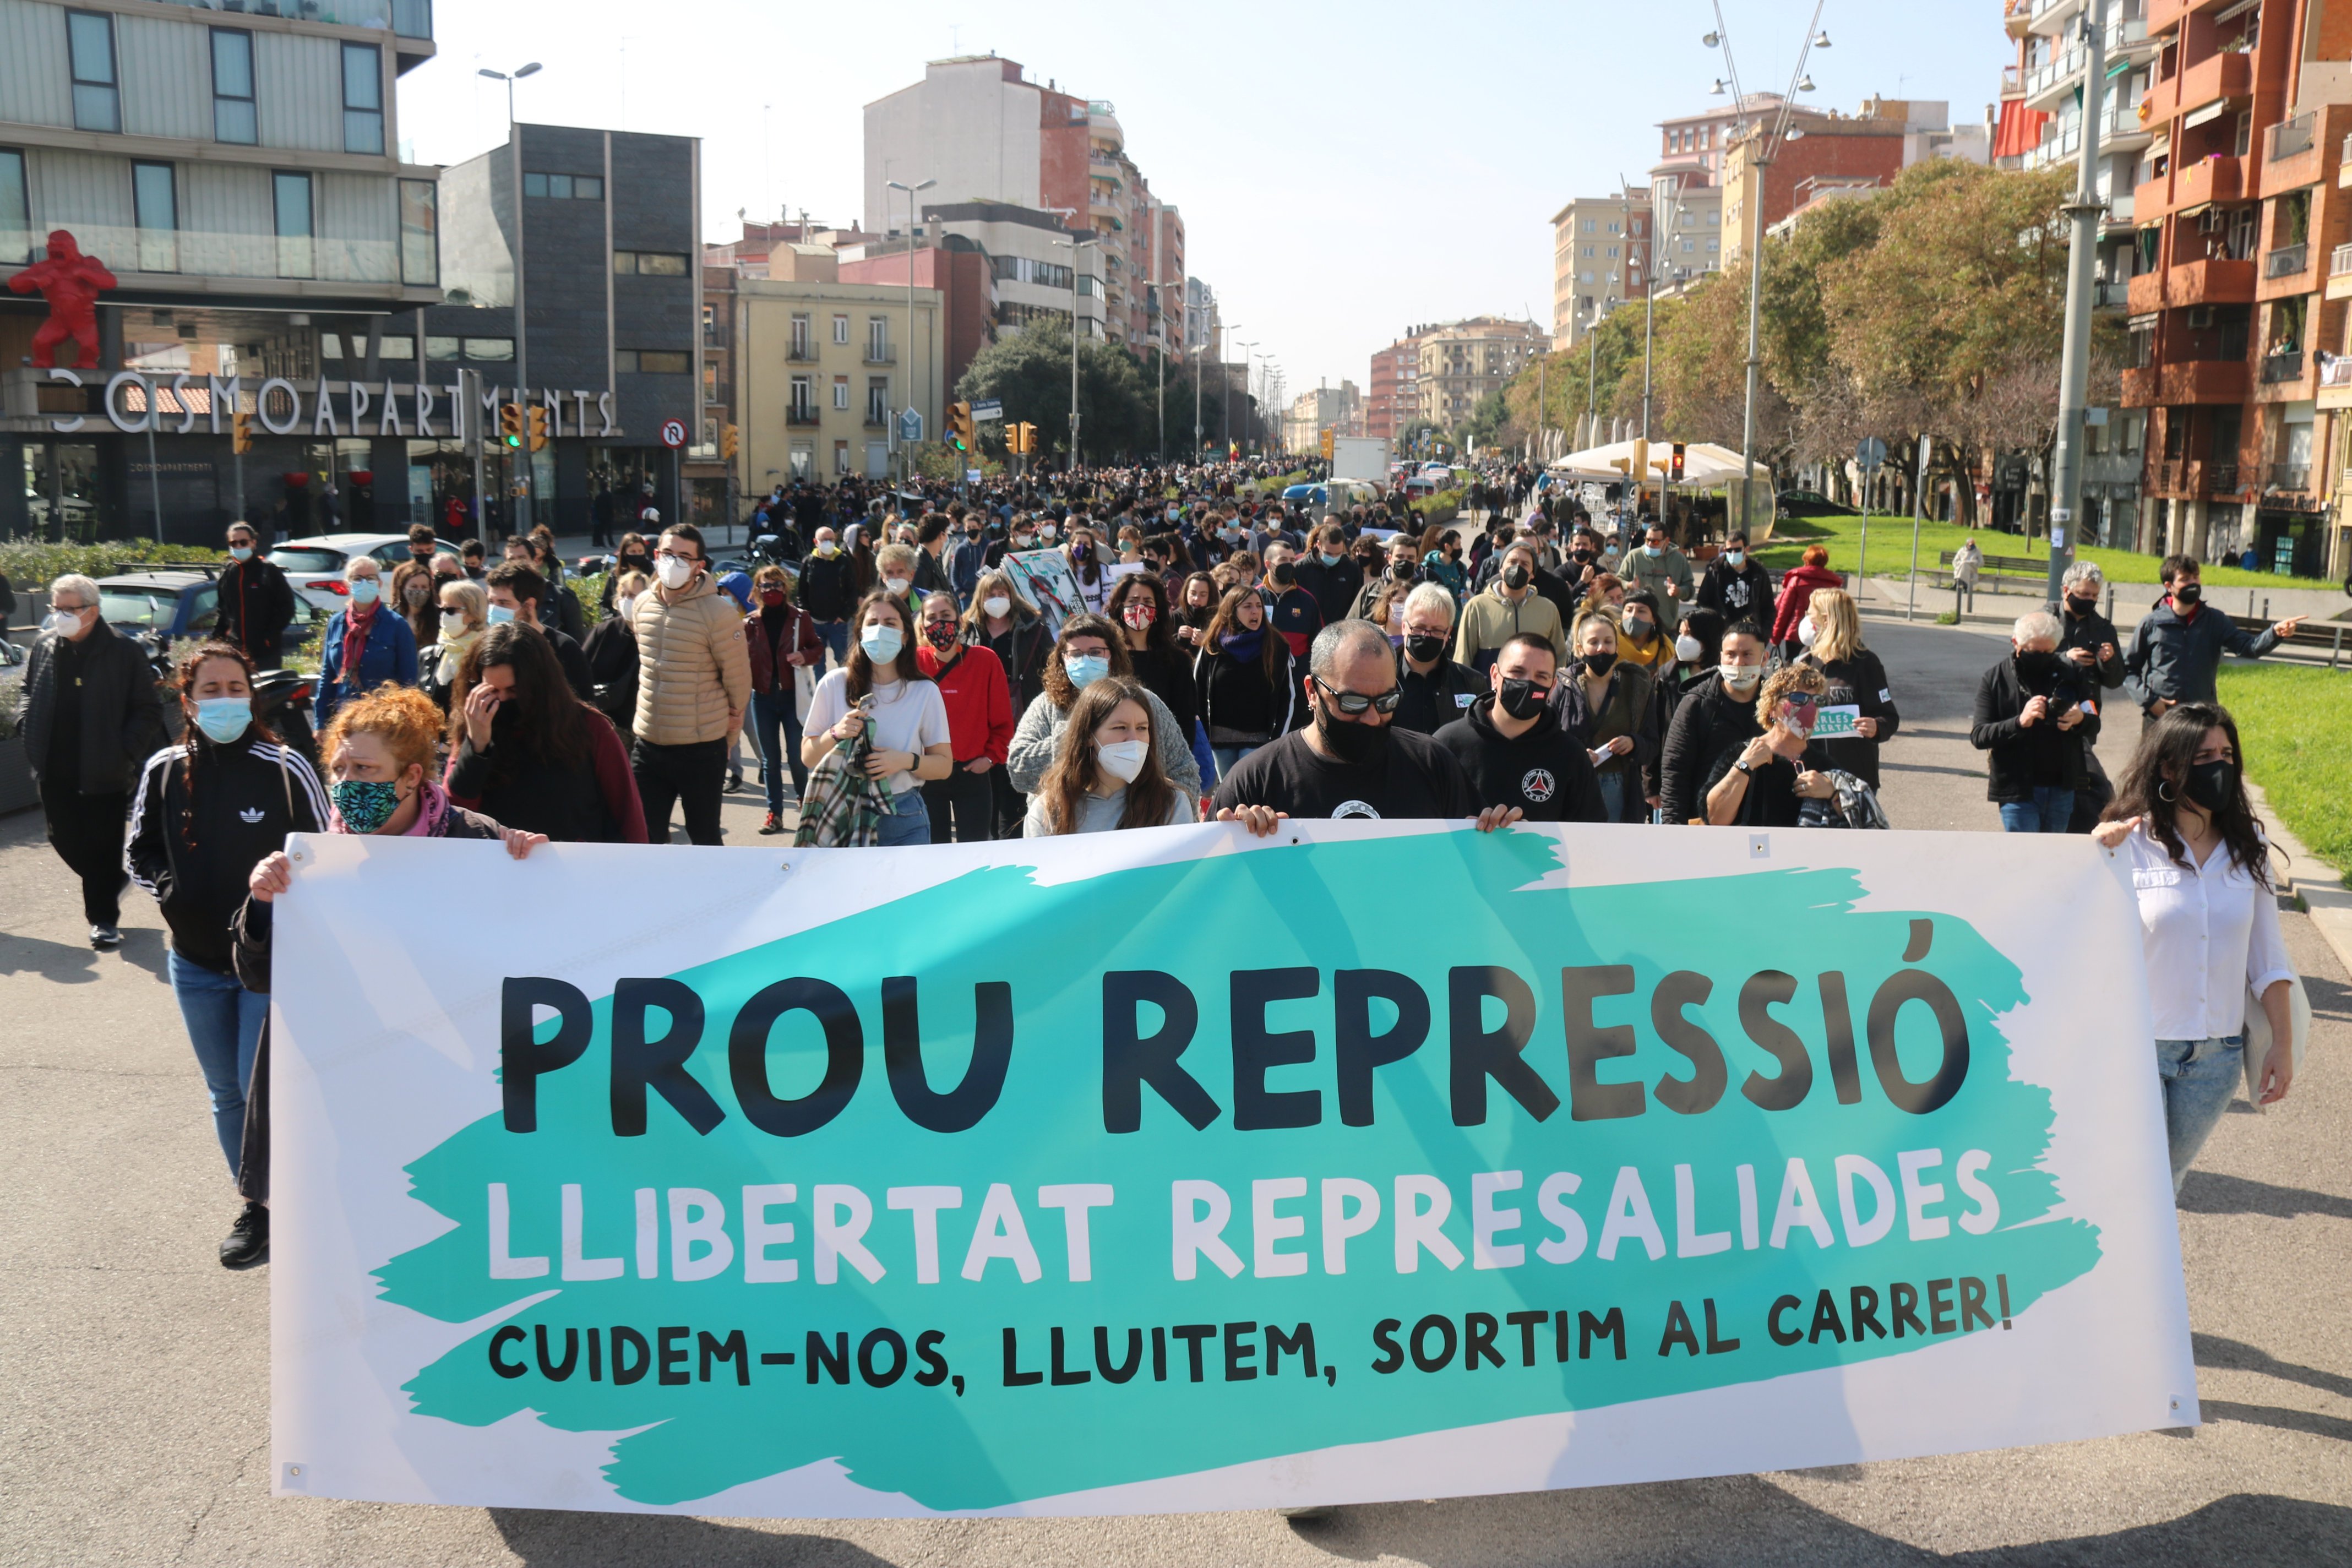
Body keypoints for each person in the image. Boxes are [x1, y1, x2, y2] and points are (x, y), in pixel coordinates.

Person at [233, 685, 547, 1231]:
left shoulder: (478, 846)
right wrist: (261, 905)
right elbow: (259, 974)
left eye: (365, 769)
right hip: (345, 1085)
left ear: (411, 776)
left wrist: (536, 867)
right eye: (339, 769)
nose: (347, 784)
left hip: (444, 1082)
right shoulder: (308, 864)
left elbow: (536, 947)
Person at [125, 641, 325, 1264]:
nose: (223, 700)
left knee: (259, 1085)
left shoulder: (286, 765)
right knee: (227, 1094)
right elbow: (138, 851)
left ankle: (297, 1202)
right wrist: (169, 889)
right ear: (187, 701)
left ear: (253, 694)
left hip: (266, 966)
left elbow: (326, 852)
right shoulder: (163, 768)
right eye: (209, 690)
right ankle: (258, 1207)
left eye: (234, 687)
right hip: (194, 963)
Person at [2092, 704, 2295, 1190]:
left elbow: (2268, 961)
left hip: (2217, 1057)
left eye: (2227, 754)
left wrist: (2282, 1046)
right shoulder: (2127, 846)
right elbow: (2080, 939)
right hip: (2140, 1046)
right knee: (2140, 1186)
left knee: (2169, 1181)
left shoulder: (2251, 853)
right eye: (2204, 756)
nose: (2219, 766)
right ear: (2168, 767)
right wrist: (2093, 855)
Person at [1213, 619, 1517, 832]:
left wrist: (1507, 838)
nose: (1372, 719)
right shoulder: (1255, 781)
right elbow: (1204, 889)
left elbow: (1482, 866)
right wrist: (1236, 840)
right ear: (1312, 692)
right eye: (1353, 703)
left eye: (1386, 702)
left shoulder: (1432, 763)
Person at [445, 623, 647, 843]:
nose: (501, 700)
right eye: (492, 691)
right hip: (499, 865)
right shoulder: (477, 723)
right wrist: (476, 748)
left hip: (576, 866)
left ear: (538, 685)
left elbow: (628, 813)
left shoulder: (588, 727)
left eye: (513, 691)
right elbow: (456, 815)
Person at [801, 592, 955, 847]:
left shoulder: (925, 692)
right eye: (873, 623)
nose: (880, 630)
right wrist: (836, 733)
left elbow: (943, 766)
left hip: (903, 816)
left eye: (890, 623)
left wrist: (904, 761)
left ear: (906, 636)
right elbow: (808, 756)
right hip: (842, 814)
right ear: (860, 633)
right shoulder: (833, 683)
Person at [629, 523, 751, 846]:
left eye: (685, 556)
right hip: (649, 744)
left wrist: (728, 740)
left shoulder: (719, 615)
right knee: (645, 836)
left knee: (704, 836)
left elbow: (738, 684)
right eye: (668, 554)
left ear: (700, 566)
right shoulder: (642, 605)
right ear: (656, 556)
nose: (674, 562)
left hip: (700, 749)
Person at [1010, 613, 1203, 797]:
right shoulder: (1047, 705)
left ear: (1113, 655)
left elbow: (1184, 770)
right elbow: (1019, 771)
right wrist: (1073, 737)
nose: (1085, 660)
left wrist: (1174, 814)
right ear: (1063, 658)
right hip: (1067, 825)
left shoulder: (1144, 702)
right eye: (1076, 654)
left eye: (1095, 652)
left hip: (1138, 823)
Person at [1433, 632, 1607, 823]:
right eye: (1517, 672)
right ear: (1494, 675)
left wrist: (1531, 839)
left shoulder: (1571, 755)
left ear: (1553, 686)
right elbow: (1423, 827)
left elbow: (1589, 835)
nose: (1528, 683)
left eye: (1541, 676)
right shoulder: (1447, 744)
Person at [2124, 555, 2305, 725]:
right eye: (2185, 579)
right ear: (2169, 586)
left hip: (2202, 717)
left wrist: (2275, 633)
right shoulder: (2152, 623)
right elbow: (2129, 669)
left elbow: (2249, 647)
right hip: (2161, 718)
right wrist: (2149, 701)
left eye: (2196, 577)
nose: (2193, 583)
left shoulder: (2215, 621)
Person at [1022, 676, 1200, 836]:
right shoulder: (1049, 810)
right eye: (1120, 728)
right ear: (1088, 737)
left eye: (1142, 728)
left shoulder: (1171, 803)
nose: (1134, 739)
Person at [1972, 610, 2096, 834]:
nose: (2041, 656)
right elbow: (1979, 736)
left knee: (2053, 860)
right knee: (2024, 860)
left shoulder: (2072, 674)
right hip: (2017, 790)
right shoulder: (1996, 679)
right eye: (2033, 651)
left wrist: (2079, 719)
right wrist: (2019, 722)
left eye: (2048, 651)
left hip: (2062, 789)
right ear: (2015, 643)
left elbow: (2094, 723)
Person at [914, 591, 1012, 843]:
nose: (940, 624)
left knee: (975, 852)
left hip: (973, 772)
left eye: (946, 616)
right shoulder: (913, 663)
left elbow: (1003, 721)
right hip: (928, 773)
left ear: (959, 621)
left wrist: (991, 758)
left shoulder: (985, 660)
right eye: (932, 618)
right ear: (923, 627)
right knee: (933, 851)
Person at [1659, 620, 1769, 824]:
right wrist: (1673, 828)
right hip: (1706, 825)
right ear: (1721, 657)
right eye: (1731, 655)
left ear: (1764, 659)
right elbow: (1675, 771)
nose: (1738, 663)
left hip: (1762, 828)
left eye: (1747, 655)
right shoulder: (1697, 704)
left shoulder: (1777, 706)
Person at [1191, 587, 1303, 779]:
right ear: (1232, 610)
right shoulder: (1213, 645)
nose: (1255, 611)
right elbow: (1196, 690)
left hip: (1258, 740)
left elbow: (1288, 697)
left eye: (1259, 606)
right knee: (1227, 793)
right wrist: (1204, 735)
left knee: (1246, 790)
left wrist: (1276, 740)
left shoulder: (1277, 646)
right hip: (1219, 740)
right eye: (1248, 606)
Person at [1556, 612, 1658, 823]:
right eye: (1594, 642)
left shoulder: (1637, 686)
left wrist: (1633, 743)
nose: (1602, 648)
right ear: (1579, 648)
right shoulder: (1563, 686)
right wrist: (1576, 754)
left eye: (1608, 642)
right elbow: (1548, 740)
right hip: (1574, 786)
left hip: (1620, 787)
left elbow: (1653, 745)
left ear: (1617, 647)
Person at [1705, 663, 1836, 826]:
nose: (1810, 707)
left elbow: (1860, 822)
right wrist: (1744, 767)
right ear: (1772, 708)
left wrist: (1834, 794)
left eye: (1817, 700)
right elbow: (1715, 819)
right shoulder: (1742, 753)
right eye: (1799, 699)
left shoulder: (1825, 766)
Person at [743, 564, 823, 832]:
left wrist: (805, 656)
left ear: (785, 588)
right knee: (770, 760)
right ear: (757, 590)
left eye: (777, 585)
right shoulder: (750, 623)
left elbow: (817, 647)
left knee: (797, 756)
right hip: (762, 697)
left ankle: (804, 804)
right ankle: (774, 813)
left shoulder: (800, 618)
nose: (772, 590)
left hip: (792, 696)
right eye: (766, 585)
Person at [1795, 587, 1898, 794]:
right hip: (1811, 775)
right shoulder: (1806, 658)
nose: (1806, 618)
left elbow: (1889, 717)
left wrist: (1876, 727)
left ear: (1826, 620)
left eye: (1810, 613)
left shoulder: (1866, 663)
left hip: (1854, 780)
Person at [2055, 560, 2125, 830]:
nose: (2090, 601)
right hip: (2050, 714)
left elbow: (2116, 680)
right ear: (2066, 591)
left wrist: (2109, 661)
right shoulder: (2047, 619)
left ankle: (2075, 826)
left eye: (2095, 596)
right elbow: (2024, 663)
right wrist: (2064, 657)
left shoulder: (2103, 628)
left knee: (2079, 776)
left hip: (2086, 718)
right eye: (2084, 595)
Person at [313, 556, 418, 728]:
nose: (364, 583)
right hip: (345, 718)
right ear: (348, 584)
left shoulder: (396, 625)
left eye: (370, 578)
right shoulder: (337, 623)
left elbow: (409, 682)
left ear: (379, 584)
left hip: (384, 721)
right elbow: (328, 677)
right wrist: (320, 723)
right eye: (357, 579)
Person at [1107, 571, 1201, 752]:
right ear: (1121, 607)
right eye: (1133, 601)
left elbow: (1185, 721)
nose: (1140, 607)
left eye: (1148, 602)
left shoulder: (1177, 661)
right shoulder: (1106, 657)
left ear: (1158, 610)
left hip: (1161, 759)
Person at [1453, 541, 1566, 675]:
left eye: (1525, 564)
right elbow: (1463, 658)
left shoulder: (1548, 609)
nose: (1518, 567)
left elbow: (1559, 658)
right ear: (1501, 568)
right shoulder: (1477, 607)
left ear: (1532, 574)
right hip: (1488, 694)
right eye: (1512, 562)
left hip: (1534, 692)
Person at [483, 562, 592, 701]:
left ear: (529, 605)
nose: (494, 610)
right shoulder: (488, 645)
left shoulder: (564, 648)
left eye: (504, 603)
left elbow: (584, 706)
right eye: (491, 602)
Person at [1392, 581, 1483, 736]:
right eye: (1419, 628)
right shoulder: (1383, 680)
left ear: (1448, 633)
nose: (1426, 636)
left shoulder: (1472, 682)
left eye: (1436, 631)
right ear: (1404, 627)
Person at [212, 520, 296, 669]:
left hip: (265, 653)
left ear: (253, 543)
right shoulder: (228, 573)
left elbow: (287, 608)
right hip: (235, 653)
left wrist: (269, 637)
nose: (238, 547)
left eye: (243, 542)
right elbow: (223, 612)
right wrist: (216, 641)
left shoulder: (268, 571)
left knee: (266, 692)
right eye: (234, 543)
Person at [582, 569, 643, 733]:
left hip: (640, 724)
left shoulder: (655, 632)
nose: (626, 600)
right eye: (623, 595)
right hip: (604, 722)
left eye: (632, 596)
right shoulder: (606, 631)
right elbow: (581, 670)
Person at [417, 576, 487, 712]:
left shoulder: (485, 655)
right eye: (441, 610)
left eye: (450, 611)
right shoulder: (428, 655)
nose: (444, 615)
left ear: (473, 613)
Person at [1771, 545, 1844, 657]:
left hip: (1796, 635)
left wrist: (1776, 637)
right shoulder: (1833, 584)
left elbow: (1784, 611)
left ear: (1806, 560)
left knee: (1794, 668)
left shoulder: (1797, 580)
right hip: (1824, 635)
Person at [799, 525, 856, 665]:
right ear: (816, 542)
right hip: (815, 624)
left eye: (831, 540)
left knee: (844, 661)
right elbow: (802, 592)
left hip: (838, 624)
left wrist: (844, 615)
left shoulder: (843, 561)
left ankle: (846, 686)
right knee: (817, 663)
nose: (828, 543)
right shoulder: (809, 562)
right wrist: (807, 615)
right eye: (824, 540)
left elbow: (852, 591)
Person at [1623, 520, 1695, 628]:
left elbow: (1690, 590)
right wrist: (1629, 585)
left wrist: (1678, 591)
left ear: (1666, 541)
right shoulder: (1634, 556)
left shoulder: (1679, 560)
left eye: (1655, 542)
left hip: (1666, 626)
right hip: (1637, 624)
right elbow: (1618, 581)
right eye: (1647, 540)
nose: (1650, 544)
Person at [1695, 531, 1773, 625]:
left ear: (1747, 549)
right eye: (1729, 550)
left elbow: (1768, 606)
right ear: (1725, 550)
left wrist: (1764, 633)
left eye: (1737, 550)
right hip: (1722, 632)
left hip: (1751, 632)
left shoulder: (1758, 573)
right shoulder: (1715, 571)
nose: (1733, 553)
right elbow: (1703, 603)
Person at [1297, 522, 1364, 622]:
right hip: (1308, 629)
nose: (1333, 557)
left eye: (1338, 554)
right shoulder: (1301, 569)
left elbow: (1357, 605)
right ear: (1318, 545)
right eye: (1328, 553)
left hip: (1341, 630)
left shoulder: (1352, 570)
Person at [1613, 591, 1674, 677]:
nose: (1633, 616)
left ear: (1654, 620)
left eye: (1641, 611)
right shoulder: (1611, 642)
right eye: (1629, 610)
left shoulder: (1664, 648)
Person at [388, 557, 438, 652]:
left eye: (424, 587)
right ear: (403, 588)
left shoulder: (438, 616)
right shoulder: (392, 617)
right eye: (414, 587)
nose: (419, 591)